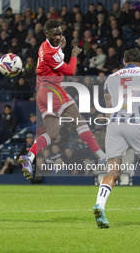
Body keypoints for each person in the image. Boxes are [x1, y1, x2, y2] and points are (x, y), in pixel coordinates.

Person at [19, 19, 106, 180]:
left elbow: (56, 58)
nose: (58, 36)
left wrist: (61, 47)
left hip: (42, 93)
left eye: (60, 33)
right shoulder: (49, 52)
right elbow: (70, 71)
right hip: (52, 89)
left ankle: (29, 157)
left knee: (52, 133)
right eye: (54, 34)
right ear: (46, 34)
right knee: (79, 119)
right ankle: (102, 156)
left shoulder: (47, 46)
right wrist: (73, 54)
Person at [92, 49, 140, 228]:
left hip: (114, 124)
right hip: (136, 122)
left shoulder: (111, 77)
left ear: (124, 62)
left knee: (113, 172)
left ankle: (99, 205)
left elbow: (107, 99)